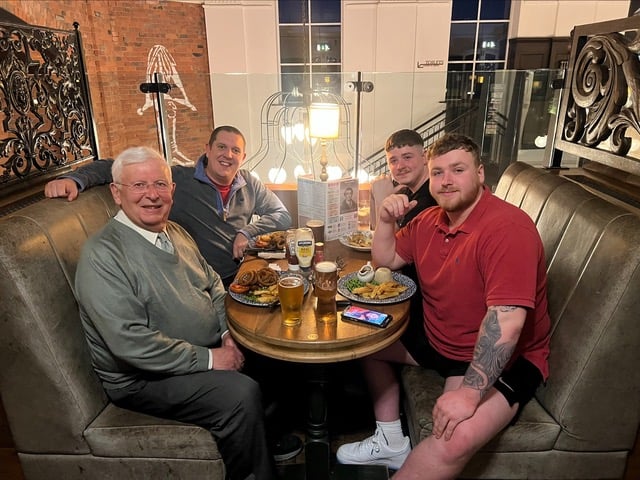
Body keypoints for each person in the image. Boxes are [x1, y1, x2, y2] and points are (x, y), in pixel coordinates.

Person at [336, 133, 551, 479]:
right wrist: (386, 220)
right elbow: (385, 259)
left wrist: (468, 393)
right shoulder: (428, 220)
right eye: (438, 173)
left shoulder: (507, 228)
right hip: (440, 342)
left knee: (452, 437)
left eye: (458, 170)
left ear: (480, 173)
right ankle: (391, 439)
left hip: (503, 359)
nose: (446, 180)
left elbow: (507, 324)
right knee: (359, 340)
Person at [75, 146, 275, 480]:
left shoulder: (173, 231)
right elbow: (131, 343)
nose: (151, 195)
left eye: (160, 185)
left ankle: (265, 441)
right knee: (240, 395)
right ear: (116, 193)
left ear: (173, 190)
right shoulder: (103, 255)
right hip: (143, 378)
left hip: (202, 349)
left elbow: (212, 284)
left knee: (272, 355)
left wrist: (228, 335)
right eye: (138, 186)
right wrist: (212, 359)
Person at [44, 125, 292, 288]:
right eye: (221, 147)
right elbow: (115, 166)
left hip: (242, 275)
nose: (228, 155)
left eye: (235, 150)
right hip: (199, 282)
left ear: (243, 157)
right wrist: (73, 179)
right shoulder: (177, 179)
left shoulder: (249, 182)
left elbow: (281, 215)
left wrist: (246, 232)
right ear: (207, 150)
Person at [369, 129, 436, 230]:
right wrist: (373, 195)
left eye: (407, 157)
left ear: (424, 157)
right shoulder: (406, 191)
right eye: (393, 161)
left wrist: (382, 200)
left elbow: (392, 244)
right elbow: (374, 233)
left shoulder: (432, 199)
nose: (400, 166)